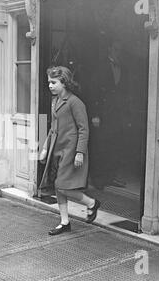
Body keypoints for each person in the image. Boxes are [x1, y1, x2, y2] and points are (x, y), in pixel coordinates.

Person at [39, 66, 100, 235]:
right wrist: (45, 147)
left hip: (71, 150)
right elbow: (53, 128)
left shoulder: (75, 102)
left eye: (53, 82)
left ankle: (91, 203)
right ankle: (65, 222)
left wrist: (80, 152)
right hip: (57, 150)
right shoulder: (56, 101)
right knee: (59, 187)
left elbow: (84, 129)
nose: (50, 86)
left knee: (62, 185)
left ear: (64, 83)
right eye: (49, 82)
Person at [88, 39, 127, 190]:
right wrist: (95, 114)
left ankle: (110, 177)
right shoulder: (100, 66)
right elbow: (93, 91)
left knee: (113, 145)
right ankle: (98, 180)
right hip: (102, 114)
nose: (119, 53)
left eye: (120, 51)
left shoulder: (122, 67)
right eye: (116, 50)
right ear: (110, 49)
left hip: (115, 114)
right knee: (100, 147)